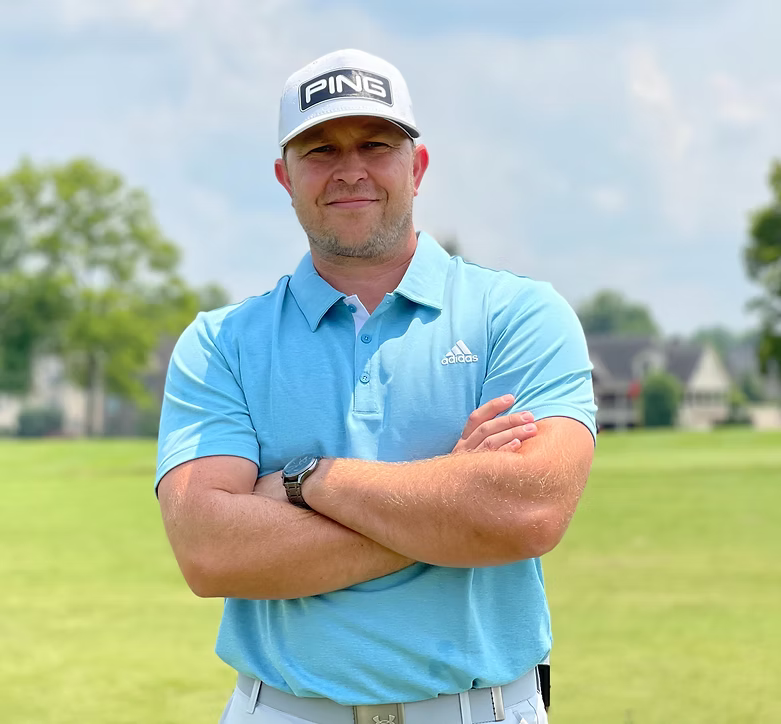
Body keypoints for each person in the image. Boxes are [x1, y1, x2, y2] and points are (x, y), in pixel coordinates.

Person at [156, 48, 597, 724]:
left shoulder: (519, 314)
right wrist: (454, 503)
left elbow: (525, 514)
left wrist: (310, 480)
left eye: (374, 144)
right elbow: (211, 552)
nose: (350, 169)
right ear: (285, 176)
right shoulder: (221, 343)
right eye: (320, 150)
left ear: (416, 167)